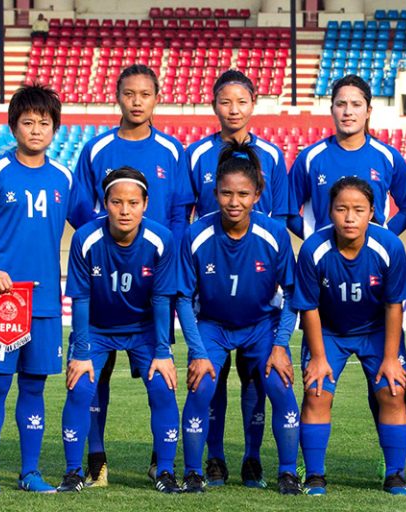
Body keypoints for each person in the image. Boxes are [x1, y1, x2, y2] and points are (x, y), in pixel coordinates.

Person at [68, 64, 193, 486]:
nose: (136, 101)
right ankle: (96, 460)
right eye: (129, 93)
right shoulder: (96, 148)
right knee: (93, 376)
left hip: (154, 278)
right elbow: (79, 208)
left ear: (157, 98)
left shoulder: (172, 149)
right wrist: (107, 246)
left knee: (160, 373)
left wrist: (162, 256)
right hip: (105, 278)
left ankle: (161, 463)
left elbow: (179, 213)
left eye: (144, 94)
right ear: (117, 96)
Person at [0, 83, 70, 495]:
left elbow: (91, 224)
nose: (36, 130)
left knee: (35, 386)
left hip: (46, 302)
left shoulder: (64, 177)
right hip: (4, 301)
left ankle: (30, 473)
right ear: (13, 126)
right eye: (28, 122)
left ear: (55, 128)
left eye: (44, 123)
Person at [177, 141, 301, 495]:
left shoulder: (274, 234)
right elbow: (183, 298)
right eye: (227, 193)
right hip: (212, 326)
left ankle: (279, 469)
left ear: (257, 194)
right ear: (215, 192)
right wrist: (197, 351)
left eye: (243, 194)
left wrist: (280, 345)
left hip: (261, 326)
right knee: (202, 385)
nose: (235, 202)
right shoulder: (196, 234)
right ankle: (198, 469)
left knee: (278, 384)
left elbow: (292, 294)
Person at [184, 69, 289, 488]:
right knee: (208, 381)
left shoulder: (273, 157)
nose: (233, 109)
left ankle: (253, 459)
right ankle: (211, 460)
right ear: (214, 105)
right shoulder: (196, 154)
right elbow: (185, 214)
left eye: (241, 101)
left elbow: (280, 218)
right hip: (212, 289)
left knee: (259, 381)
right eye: (225, 101)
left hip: (257, 293)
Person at [57, 168, 181, 493]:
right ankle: (73, 472)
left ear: (145, 204)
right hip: (96, 328)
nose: (125, 210)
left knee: (163, 387)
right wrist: (81, 353)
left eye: (133, 203)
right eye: (116, 202)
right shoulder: (85, 238)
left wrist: (163, 351)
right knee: (80, 388)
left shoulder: (161, 239)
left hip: (143, 329)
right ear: (105, 203)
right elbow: (80, 299)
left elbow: (162, 299)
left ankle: (165, 471)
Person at [294, 177, 406, 496]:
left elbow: (394, 305)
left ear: (372, 212)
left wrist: (390, 359)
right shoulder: (313, 249)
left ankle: (395, 474)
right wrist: (319, 358)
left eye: (358, 210)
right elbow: (309, 307)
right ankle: (314, 474)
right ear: (329, 210)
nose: (349, 217)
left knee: (393, 392)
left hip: (376, 331)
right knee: (317, 392)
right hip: (329, 331)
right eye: (341, 209)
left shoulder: (389, 246)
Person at [287, 73, 406, 240]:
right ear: (332, 110)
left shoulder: (388, 157)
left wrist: (384, 238)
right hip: (325, 255)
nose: (348, 112)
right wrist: (315, 241)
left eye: (356, 104)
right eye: (341, 104)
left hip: (372, 255)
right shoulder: (310, 158)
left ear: (368, 111)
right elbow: (288, 210)